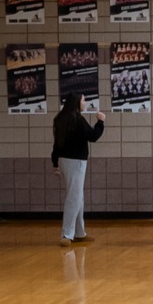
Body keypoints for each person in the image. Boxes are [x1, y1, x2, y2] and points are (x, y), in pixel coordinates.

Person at [48, 94, 105, 246]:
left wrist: (55, 163)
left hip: (63, 161)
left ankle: (79, 232)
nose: (85, 103)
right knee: (74, 197)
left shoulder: (59, 119)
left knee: (77, 195)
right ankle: (67, 234)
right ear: (77, 102)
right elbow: (93, 136)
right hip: (76, 162)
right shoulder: (77, 119)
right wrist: (100, 122)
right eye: (83, 100)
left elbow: (56, 144)